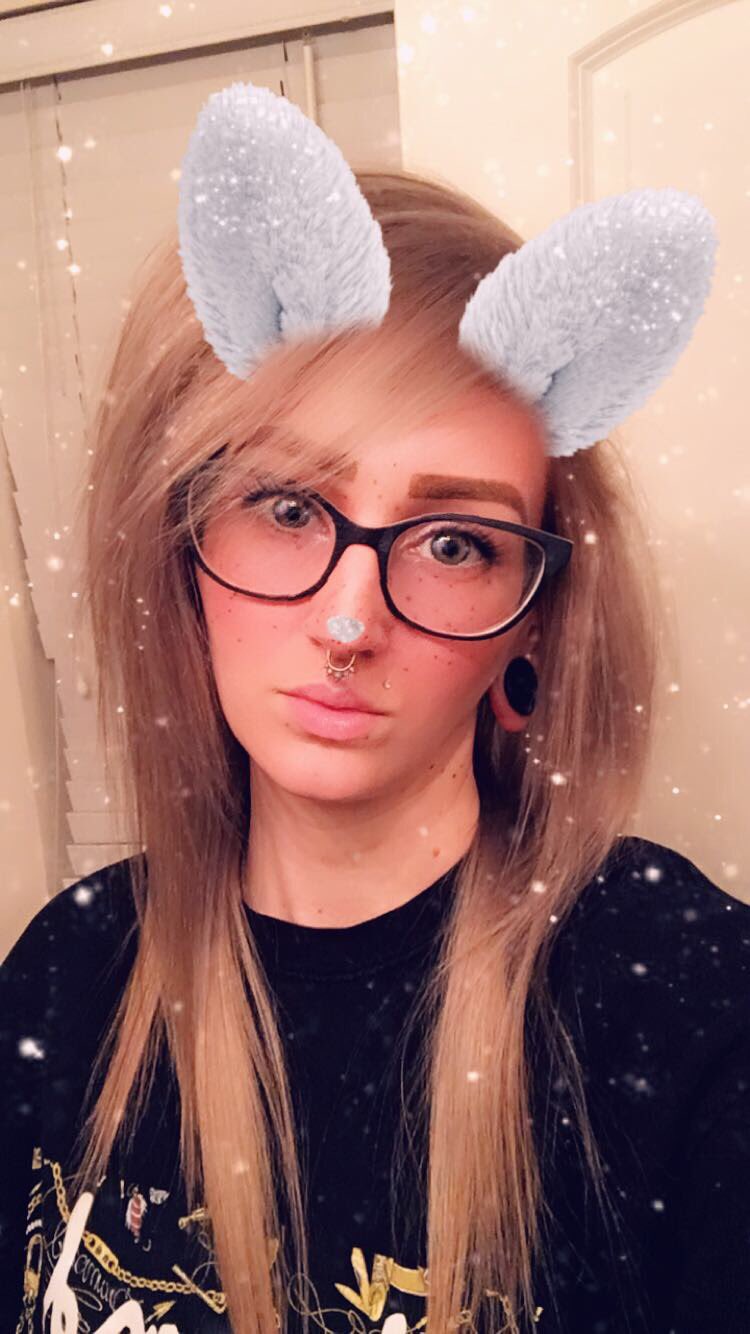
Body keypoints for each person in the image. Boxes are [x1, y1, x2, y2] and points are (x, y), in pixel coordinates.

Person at [1, 79, 748, 1334]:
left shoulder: (686, 1001)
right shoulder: (70, 972)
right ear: (182, 549)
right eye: (288, 508)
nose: (350, 622)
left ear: (534, 612)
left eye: (454, 541)